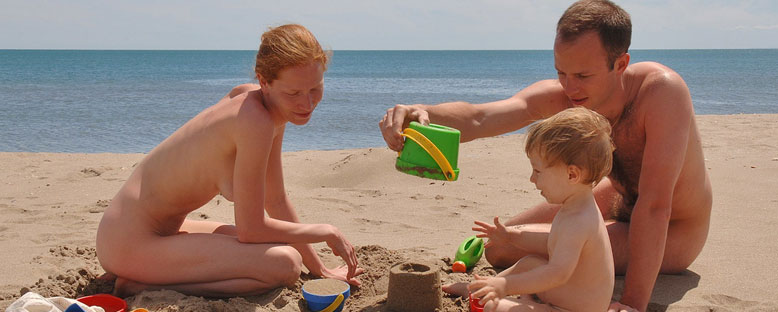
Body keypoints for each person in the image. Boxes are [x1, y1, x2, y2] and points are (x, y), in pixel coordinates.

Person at [379, 1, 712, 311]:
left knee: (568, 249)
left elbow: (654, 205)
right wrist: (421, 113)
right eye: (561, 72)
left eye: (582, 75)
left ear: (620, 64)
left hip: (673, 227)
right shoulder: (572, 94)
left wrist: (633, 303)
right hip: (615, 198)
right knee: (500, 249)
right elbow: (482, 117)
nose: (569, 87)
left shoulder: (660, 92)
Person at [96, 24, 363, 297]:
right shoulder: (254, 121)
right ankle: (144, 283)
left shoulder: (264, 106)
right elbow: (252, 230)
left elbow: (276, 199)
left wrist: (321, 270)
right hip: (131, 241)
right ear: (264, 81)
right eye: (293, 93)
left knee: (286, 248)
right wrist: (327, 232)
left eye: (315, 89)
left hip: (155, 231)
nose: (307, 104)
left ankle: (151, 272)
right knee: (285, 264)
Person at [444, 107, 616, 311]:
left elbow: (556, 274)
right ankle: (481, 288)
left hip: (568, 309)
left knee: (491, 307)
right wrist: (511, 237)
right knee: (529, 263)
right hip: (563, 294)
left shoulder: (579, 220)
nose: (532, 179)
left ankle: (491, 293)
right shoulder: (577, 206)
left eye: (538, 171)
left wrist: (506, 285)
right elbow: (552, 242)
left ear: (572, 175)